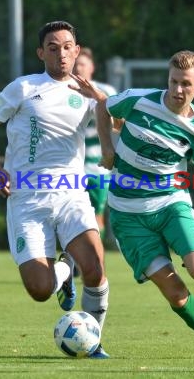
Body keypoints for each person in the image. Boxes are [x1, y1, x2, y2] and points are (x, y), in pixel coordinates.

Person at [71, 50, 194, 360]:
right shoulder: (139, 100)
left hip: (170, 204)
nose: (178, 90)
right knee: (174, 292)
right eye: (174, 82)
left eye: (186, 84)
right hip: (127, 216)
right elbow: (103, 107)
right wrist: (108, 149)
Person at [0, 20, 110, 358]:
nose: (61, 53)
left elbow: (120, 124)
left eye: (67, 47)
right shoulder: (23, 88)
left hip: (71, 193)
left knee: (95, 265)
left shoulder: (89, 93)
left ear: (76, 51)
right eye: (53, 47)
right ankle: (64, 273)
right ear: (41, 53)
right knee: (39, 289)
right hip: (27, 198)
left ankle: (93, 344)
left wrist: (102, 100)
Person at [73, 47, 118, 241]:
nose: (78, 68)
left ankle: (92, 261)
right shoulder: (63, 90)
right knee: (73, 217)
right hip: (72, 167)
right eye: (75, 64)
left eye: (82, 64)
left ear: (92, 67)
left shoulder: (105, 91)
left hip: (97, 168)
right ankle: (74, 262)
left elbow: (118, 124)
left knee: (95, 217)